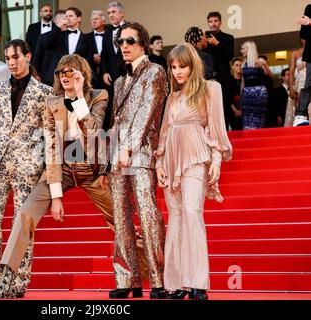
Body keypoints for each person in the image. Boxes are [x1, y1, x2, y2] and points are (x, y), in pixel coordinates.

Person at [0, 54, 148, 297]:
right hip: (65, 168)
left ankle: (144, 276)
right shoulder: (52, 103)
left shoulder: (99, 95)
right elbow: (51, 149)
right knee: (26, 212)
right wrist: (56, 196)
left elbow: (93, 130)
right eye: (60, 73)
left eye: (70, 72)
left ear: (81, 73)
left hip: (93, 170)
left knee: (122, 222)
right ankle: (6, 277)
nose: (64, 77)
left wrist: (78, 96)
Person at [0, 39, 55, 299]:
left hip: (28, 167)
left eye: (15, 57)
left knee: (22, 226)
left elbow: (50, 132)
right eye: (7, 58)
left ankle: (17, 284)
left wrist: (43, 167)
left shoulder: (45, 93)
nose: (11, 63)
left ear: (28, 56)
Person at [155, 42, 232, 300]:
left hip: (196, 157)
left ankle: (198, 282)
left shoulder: (211, 89)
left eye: (182, 66)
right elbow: (164, 134)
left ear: (193, 65)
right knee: (175, 218)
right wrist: (158, 165)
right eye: (173, 67)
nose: (177, 71)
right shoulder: (172, 97)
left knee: (192, 212)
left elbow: (217, 129)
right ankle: (177, 283)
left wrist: (217, 162)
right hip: (171, 162)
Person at [100, 21, 169, 299]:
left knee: (148, 214)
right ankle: (127, 280)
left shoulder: (156, 71)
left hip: (140, 155)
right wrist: (109, 161)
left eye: (130, 41)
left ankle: (159, 280)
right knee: (121, 218)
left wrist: (128, 148)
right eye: (120, 42)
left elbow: (147, 114)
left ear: (143, 43)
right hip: (117, 157)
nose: (124, 46)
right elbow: (115, 121)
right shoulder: (118, 81)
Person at [39, 7, 93, 74]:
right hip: (58, 73)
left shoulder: (87, 39)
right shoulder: (59, 35)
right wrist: (58, 26)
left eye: (70, 16)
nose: (67, 18)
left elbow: (88, 59)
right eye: (66, 16)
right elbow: (46, 44)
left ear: (79, 18)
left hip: (78, 74)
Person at [204, 11, 234, 130]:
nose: (213, 24)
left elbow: (229, 56)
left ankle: (226, 137)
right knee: (209, 110)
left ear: (220, 22)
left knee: (224, 109)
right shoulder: (203, 38)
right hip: (207, 78)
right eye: (210, 21)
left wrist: (217, 44)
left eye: (215, 21)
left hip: (223, 78)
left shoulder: (228, 38)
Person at [100, 1, 126, 130]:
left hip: (127, 73)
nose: (110, 15)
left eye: (113, 12)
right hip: (111, 76)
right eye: (109, 12)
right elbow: (104, 55)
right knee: (111, 105)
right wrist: (104, 72)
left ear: (121, 13)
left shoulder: (130, 28)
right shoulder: (107, 32)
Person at [32, 10, 66, 86]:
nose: (66, 21)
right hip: (48, 78)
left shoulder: (73, 37)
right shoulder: (44, 36)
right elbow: (37, 57)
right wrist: (35, 74)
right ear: (56, 21)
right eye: (64, 18)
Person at [239, 41, 269, 129]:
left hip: (259, 95)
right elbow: (242, 82)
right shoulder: (243, 64)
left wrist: (265, 65)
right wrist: (241, 97)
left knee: (259, 121)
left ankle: (259, 140)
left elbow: (270, 76)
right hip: (246, 95)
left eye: (243, 49)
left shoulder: (259, 61)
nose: (241, 51)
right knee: (247, 121)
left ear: (249, 49)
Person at [294, 5, 311, 126]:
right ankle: (300, 115)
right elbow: (303, 34)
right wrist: (309, 24)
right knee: (310, 83)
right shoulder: (310, 9)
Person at [85, 10, 108, 89]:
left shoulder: (109, 36)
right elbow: (83, 55)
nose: (93, 21)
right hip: (91, 75)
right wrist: (92, 57)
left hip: (107, 74)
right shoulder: (86, 37)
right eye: (92, 19)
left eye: (96, 19)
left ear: (103, 21)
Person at [287, 45, 306, 126]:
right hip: (300, 83)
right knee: (300, 110)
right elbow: (291, 72)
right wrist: (291, 88)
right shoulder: (295, 53)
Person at [229, 58, 243, 130]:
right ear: (232, 67)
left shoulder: (244, 79)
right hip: (232, 111)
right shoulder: (229, 80)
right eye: (237, 65)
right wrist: (235, 111)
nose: (239, 67)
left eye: (240, 65)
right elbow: (228, 98)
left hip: (244, 111)